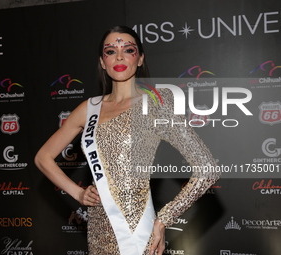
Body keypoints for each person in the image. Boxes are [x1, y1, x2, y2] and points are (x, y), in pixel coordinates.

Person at [35, 25, 220, 255]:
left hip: (137, 232)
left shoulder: (155, 105)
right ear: (103, 62)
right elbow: (43, 157)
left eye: (128, 50)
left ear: (140, 59)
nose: (119, 56)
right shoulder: (88, 109)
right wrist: (78, 193)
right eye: (111, 51)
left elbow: (207, 168)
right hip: (98, 232)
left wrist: (163, 220)